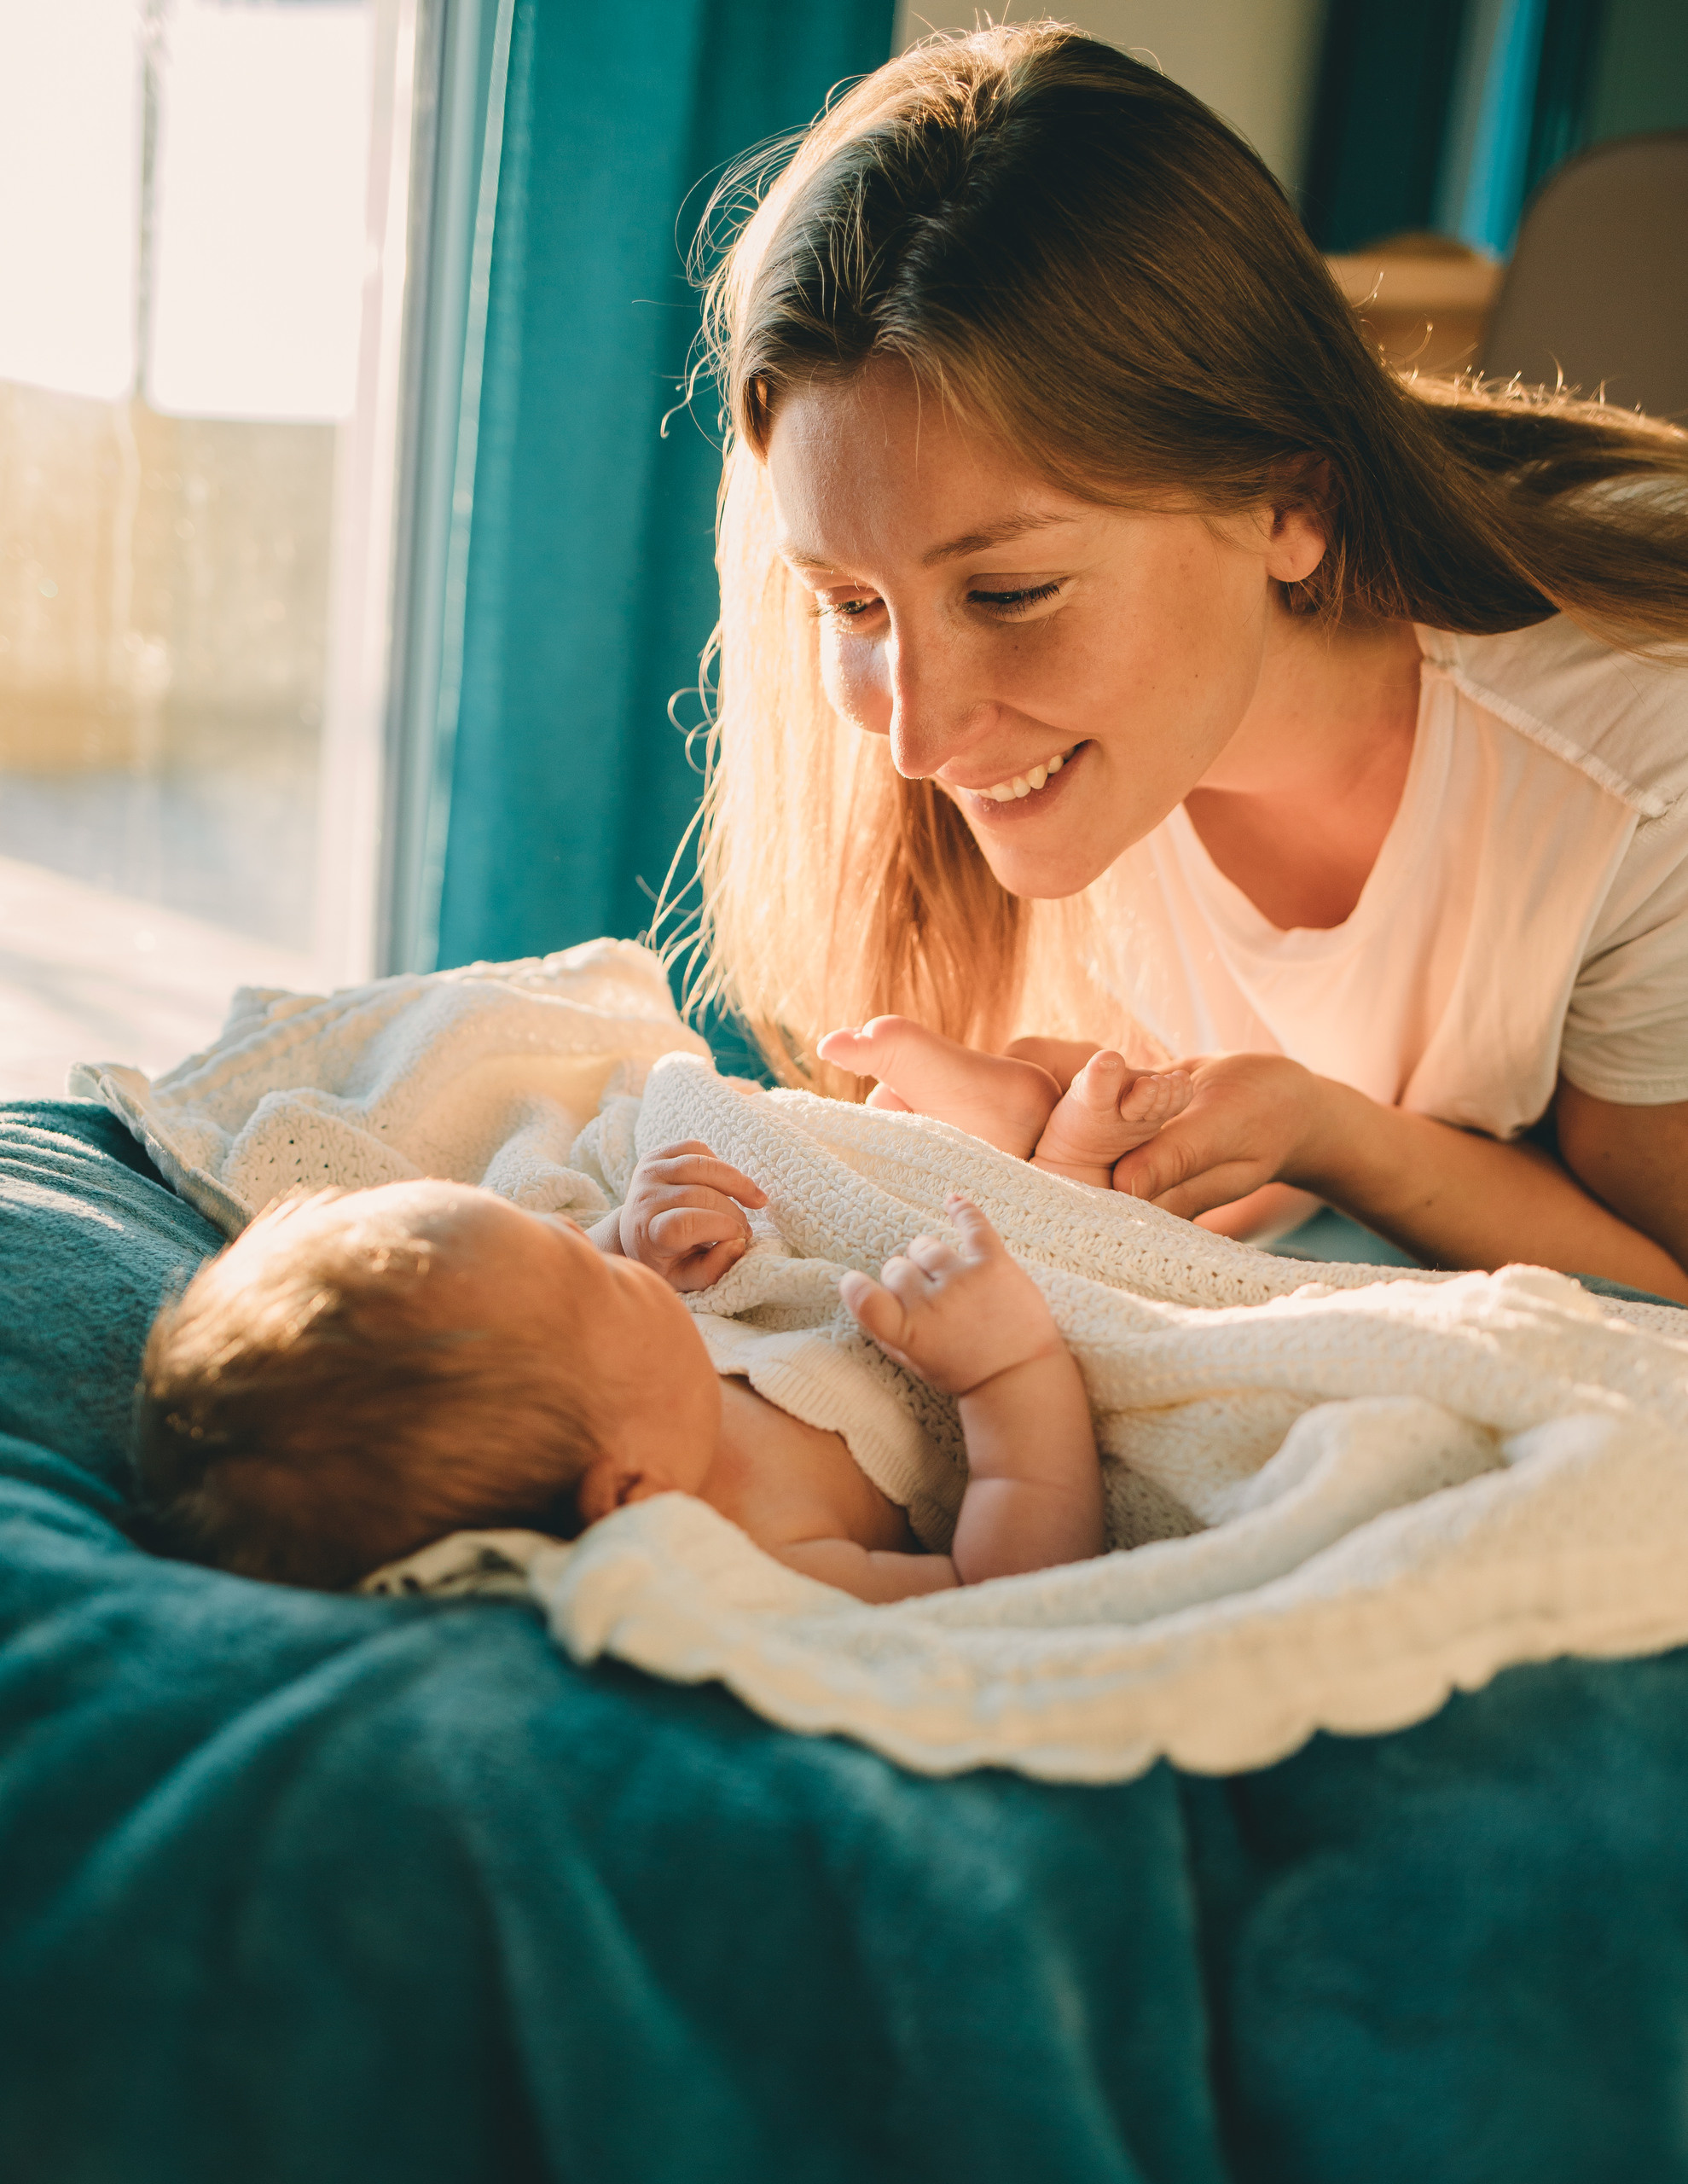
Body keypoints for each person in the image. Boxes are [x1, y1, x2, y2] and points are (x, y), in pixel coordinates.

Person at [680, 23, 1688, 1299]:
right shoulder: (1078, 744)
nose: (917, 740)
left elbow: (1666, 1298)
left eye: (1009, 592)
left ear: (1286, 503)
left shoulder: (1641, 760)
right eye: (849, 603)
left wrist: (1332, 1137)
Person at [131, 1147, 1105, 1602]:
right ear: (629, 1495)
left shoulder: (623, 1404)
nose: (576, 1229)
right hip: (976, 1372)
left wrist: (633, 1241)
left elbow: (558, 1324)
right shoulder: (764, 1558)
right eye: (593, 1270)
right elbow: (1009, 1594)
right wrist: (1010, 1373)